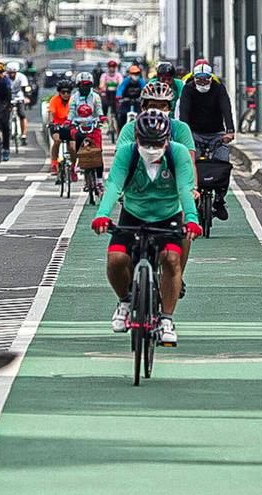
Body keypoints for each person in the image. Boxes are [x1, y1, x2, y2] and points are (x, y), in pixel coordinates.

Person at [92, 111, 202, 347]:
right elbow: (114, 186)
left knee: (172, 260)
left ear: (166, 140)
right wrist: (102, 215)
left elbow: (185, 188)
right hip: (133, 215)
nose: (151, 148)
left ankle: (167, 319)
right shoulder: (126, 153)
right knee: (115, 260)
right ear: (137, 139)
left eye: (157, 143)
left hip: (167, 216)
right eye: (146, 143)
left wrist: (191, 218)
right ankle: (124, 301)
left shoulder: (178, 153)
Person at [178, 62, 235, 221]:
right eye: (199, 79)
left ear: (211, 78)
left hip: (216, 133)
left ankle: (219, 199)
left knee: (223, 161)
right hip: (194, 133)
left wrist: (230, 131)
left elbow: (226, 109)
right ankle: (192, 194)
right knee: (189, 162)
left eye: (206, 79)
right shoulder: (188, 89)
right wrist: (184, 133)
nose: (202, 82)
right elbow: (184, 112)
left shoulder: (219, 89)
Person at [46, 78, 75, 174]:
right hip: (57, 126)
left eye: (68, 92)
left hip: (70, 126)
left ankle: (73, 166)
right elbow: (51, 112)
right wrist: (51, 123)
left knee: (72, 146)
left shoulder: (73, 100)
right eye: (63, 92)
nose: (66, 94)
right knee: (57, 140)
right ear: (59, 92)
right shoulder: (54, 100)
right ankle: (54, 164)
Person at [7, 61, 33, 142]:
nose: (11, 75)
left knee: (22, 114)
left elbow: (26, 89)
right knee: (5, 115)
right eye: (10, 73)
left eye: (13, 73)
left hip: (19, 96)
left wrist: (26, 98)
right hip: (9, 97)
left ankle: (24, 134)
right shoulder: (5, 78)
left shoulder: (22, 77)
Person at [115, 64, 147, 130]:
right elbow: (121, 89)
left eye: (137, 73)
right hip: (126, 102)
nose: (135, 75)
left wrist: (146, 97)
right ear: (130, 74)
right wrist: (118, 96)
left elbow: (145, 89)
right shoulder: (126, 81)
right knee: (122, 116)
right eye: (133, 73)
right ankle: (121, 132)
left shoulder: (141, 81)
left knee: (141, 117)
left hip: (137, 102)